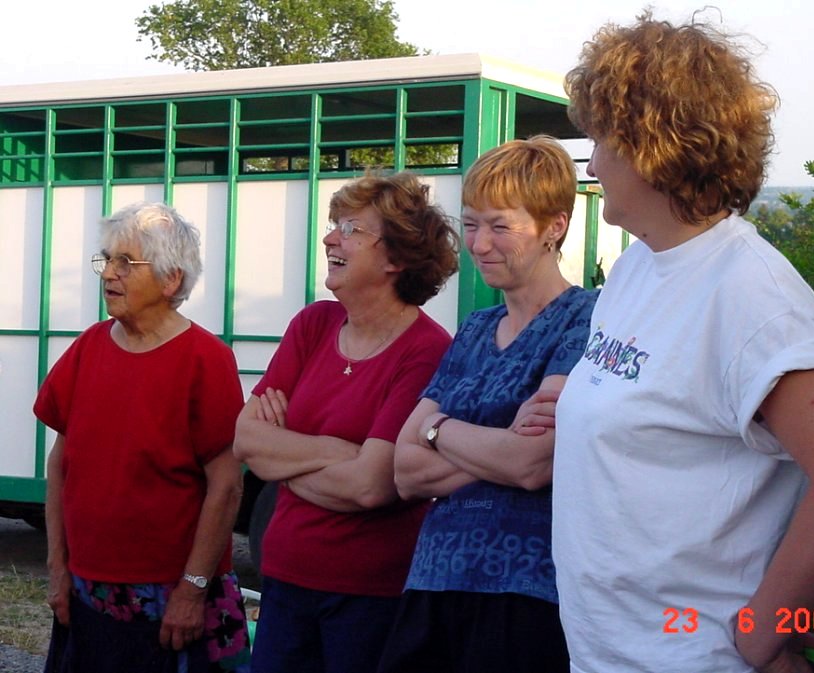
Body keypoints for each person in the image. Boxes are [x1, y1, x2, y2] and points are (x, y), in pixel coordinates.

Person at [552, 14, 814, 673]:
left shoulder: (750, 291)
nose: (590, 163)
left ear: (653, 146)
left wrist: (761, 636)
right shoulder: (636, 267)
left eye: (601, 140)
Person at [377, 136, 598, 673]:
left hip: (526, 590)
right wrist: (489, 443)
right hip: (433, 580)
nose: (478, 244)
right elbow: (404, 470)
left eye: (500, 226)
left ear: (554, 227)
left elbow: (532, 464)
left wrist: (436, 430)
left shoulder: (587, 319)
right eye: (471, 224)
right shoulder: (475, 328)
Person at [232, 171, 458, 673]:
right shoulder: (313, 324)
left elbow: (371, 486)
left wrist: (283, 456)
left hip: (370, 596)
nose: (331, 239)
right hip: (284, 578)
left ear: (396, 257)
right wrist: (336, 452)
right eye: (335, 225)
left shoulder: (426, 350)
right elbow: (246, 438)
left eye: (351, 229)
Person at [35, 202, 251, 673]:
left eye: (125, 262)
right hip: (89, 590)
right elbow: (60, 464)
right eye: (107, 259)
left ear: (171, 279)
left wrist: (192, 589)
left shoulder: (206, 359)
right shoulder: (88, 348)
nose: (109, 273)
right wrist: (57, 568)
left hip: (172, 597)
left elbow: (226, 486)